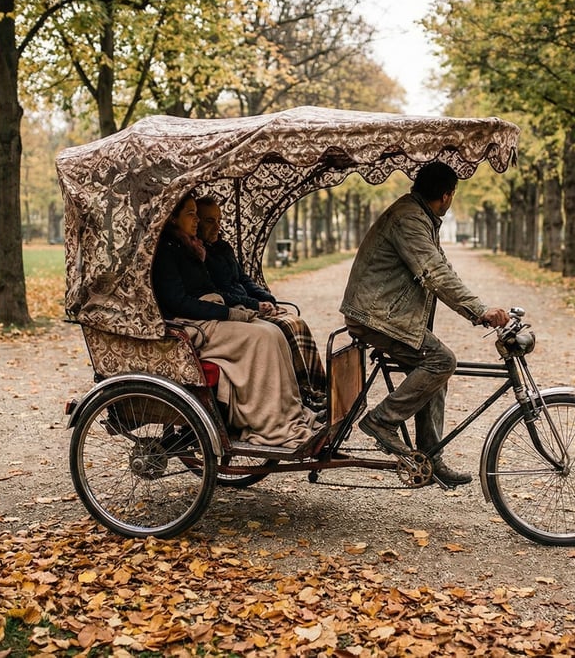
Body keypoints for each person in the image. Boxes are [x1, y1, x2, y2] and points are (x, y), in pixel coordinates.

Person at [340, 162, 511, 486]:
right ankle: (381, 421)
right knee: (442, 360)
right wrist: (479, 311)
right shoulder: (410, 219)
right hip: (374, 315)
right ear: (447, 195)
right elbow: (434, 274)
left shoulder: (420, 217)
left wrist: (480, 307)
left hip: (386, 312)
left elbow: (443, 267)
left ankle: (430, 457)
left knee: (437, 373)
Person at [152, 193, 317, 450]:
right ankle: (270, 423)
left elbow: (222, 286)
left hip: (208, 315)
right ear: (173, 218)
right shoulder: (166, 251)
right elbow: (179, 302)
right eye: (191, 214)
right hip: (189, 324)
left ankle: (289, 414)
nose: (196, 220)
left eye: (197, 214)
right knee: (261, 338)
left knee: (273, 332)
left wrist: (240, 306)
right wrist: (230, 313)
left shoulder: (192, 247)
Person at [194, 196, 327, 410]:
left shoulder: (223, 247)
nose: (217, 226)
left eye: (219, 220)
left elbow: (243, 279)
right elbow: (217, 292)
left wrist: (266, 298)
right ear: (197, 222)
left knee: (295, 322)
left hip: (249, 305)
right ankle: (301, 393)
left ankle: (317, 387)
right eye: (210, 221)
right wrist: (254, 305)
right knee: (282, 327)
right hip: (233, 309)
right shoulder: (200, 255)